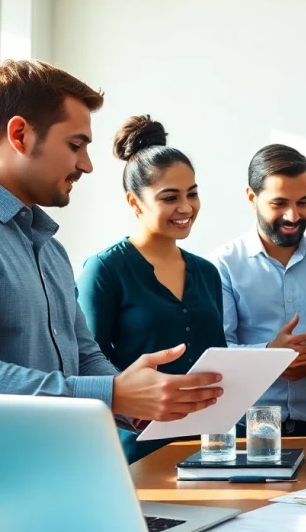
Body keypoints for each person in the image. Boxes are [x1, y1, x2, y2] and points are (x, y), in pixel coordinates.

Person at [0, 61, 223, 532]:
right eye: (76, 144)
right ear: (19, 134)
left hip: (55, 490)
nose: (87, 164)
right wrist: (115, 392)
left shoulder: (46, 245)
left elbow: (82, 354)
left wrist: (136, 403)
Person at [77, 115, 227, 464]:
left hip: (210, 448)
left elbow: (217, 356)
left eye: (192, 194)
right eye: (170, 197)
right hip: (134, 449)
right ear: (134, 202)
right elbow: (86, 366)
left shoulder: (206, 272)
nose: (186, 208)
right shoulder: (104, 270)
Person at [212, 144, 306, 438]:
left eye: (303, 202)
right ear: (252, 198)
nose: (293, 215)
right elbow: (219, 351)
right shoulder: (225, 264)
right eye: (279, 203)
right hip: (248, 427)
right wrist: (272, 355)